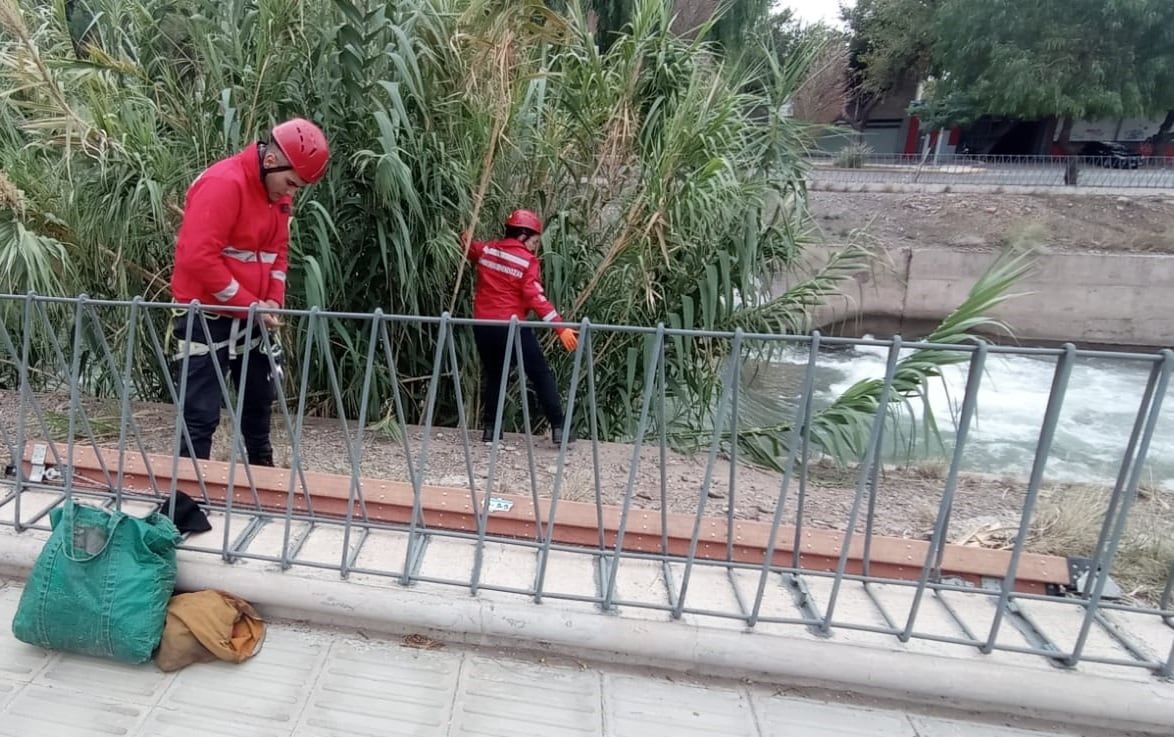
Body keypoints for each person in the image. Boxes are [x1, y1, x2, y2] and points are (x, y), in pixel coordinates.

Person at [169, 118, 330, 464]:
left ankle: (262, 479)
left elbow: (278, 252)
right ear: (271, 160)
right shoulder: (223, 184)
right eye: (290, 183)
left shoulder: (277, 195)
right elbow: (198, 257)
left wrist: (273, 298)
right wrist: (249, 303)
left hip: (253, 314)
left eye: (297, 188)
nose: (290, 193)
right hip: (205, 314)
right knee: (200, 414)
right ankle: (185, 503)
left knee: (258, 404)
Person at [465, 209, 578, 445]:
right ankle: (559, 427)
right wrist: (560, 328)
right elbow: (536, 298)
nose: (535, 248)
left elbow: (470, 247)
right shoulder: (527, 262)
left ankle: (491, 430)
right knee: (540, 374)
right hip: (512, 327)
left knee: (496, 375)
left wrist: (463, 232)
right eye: (535, 242)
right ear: (523, 237)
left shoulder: (487, 251)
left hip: (483, 326)